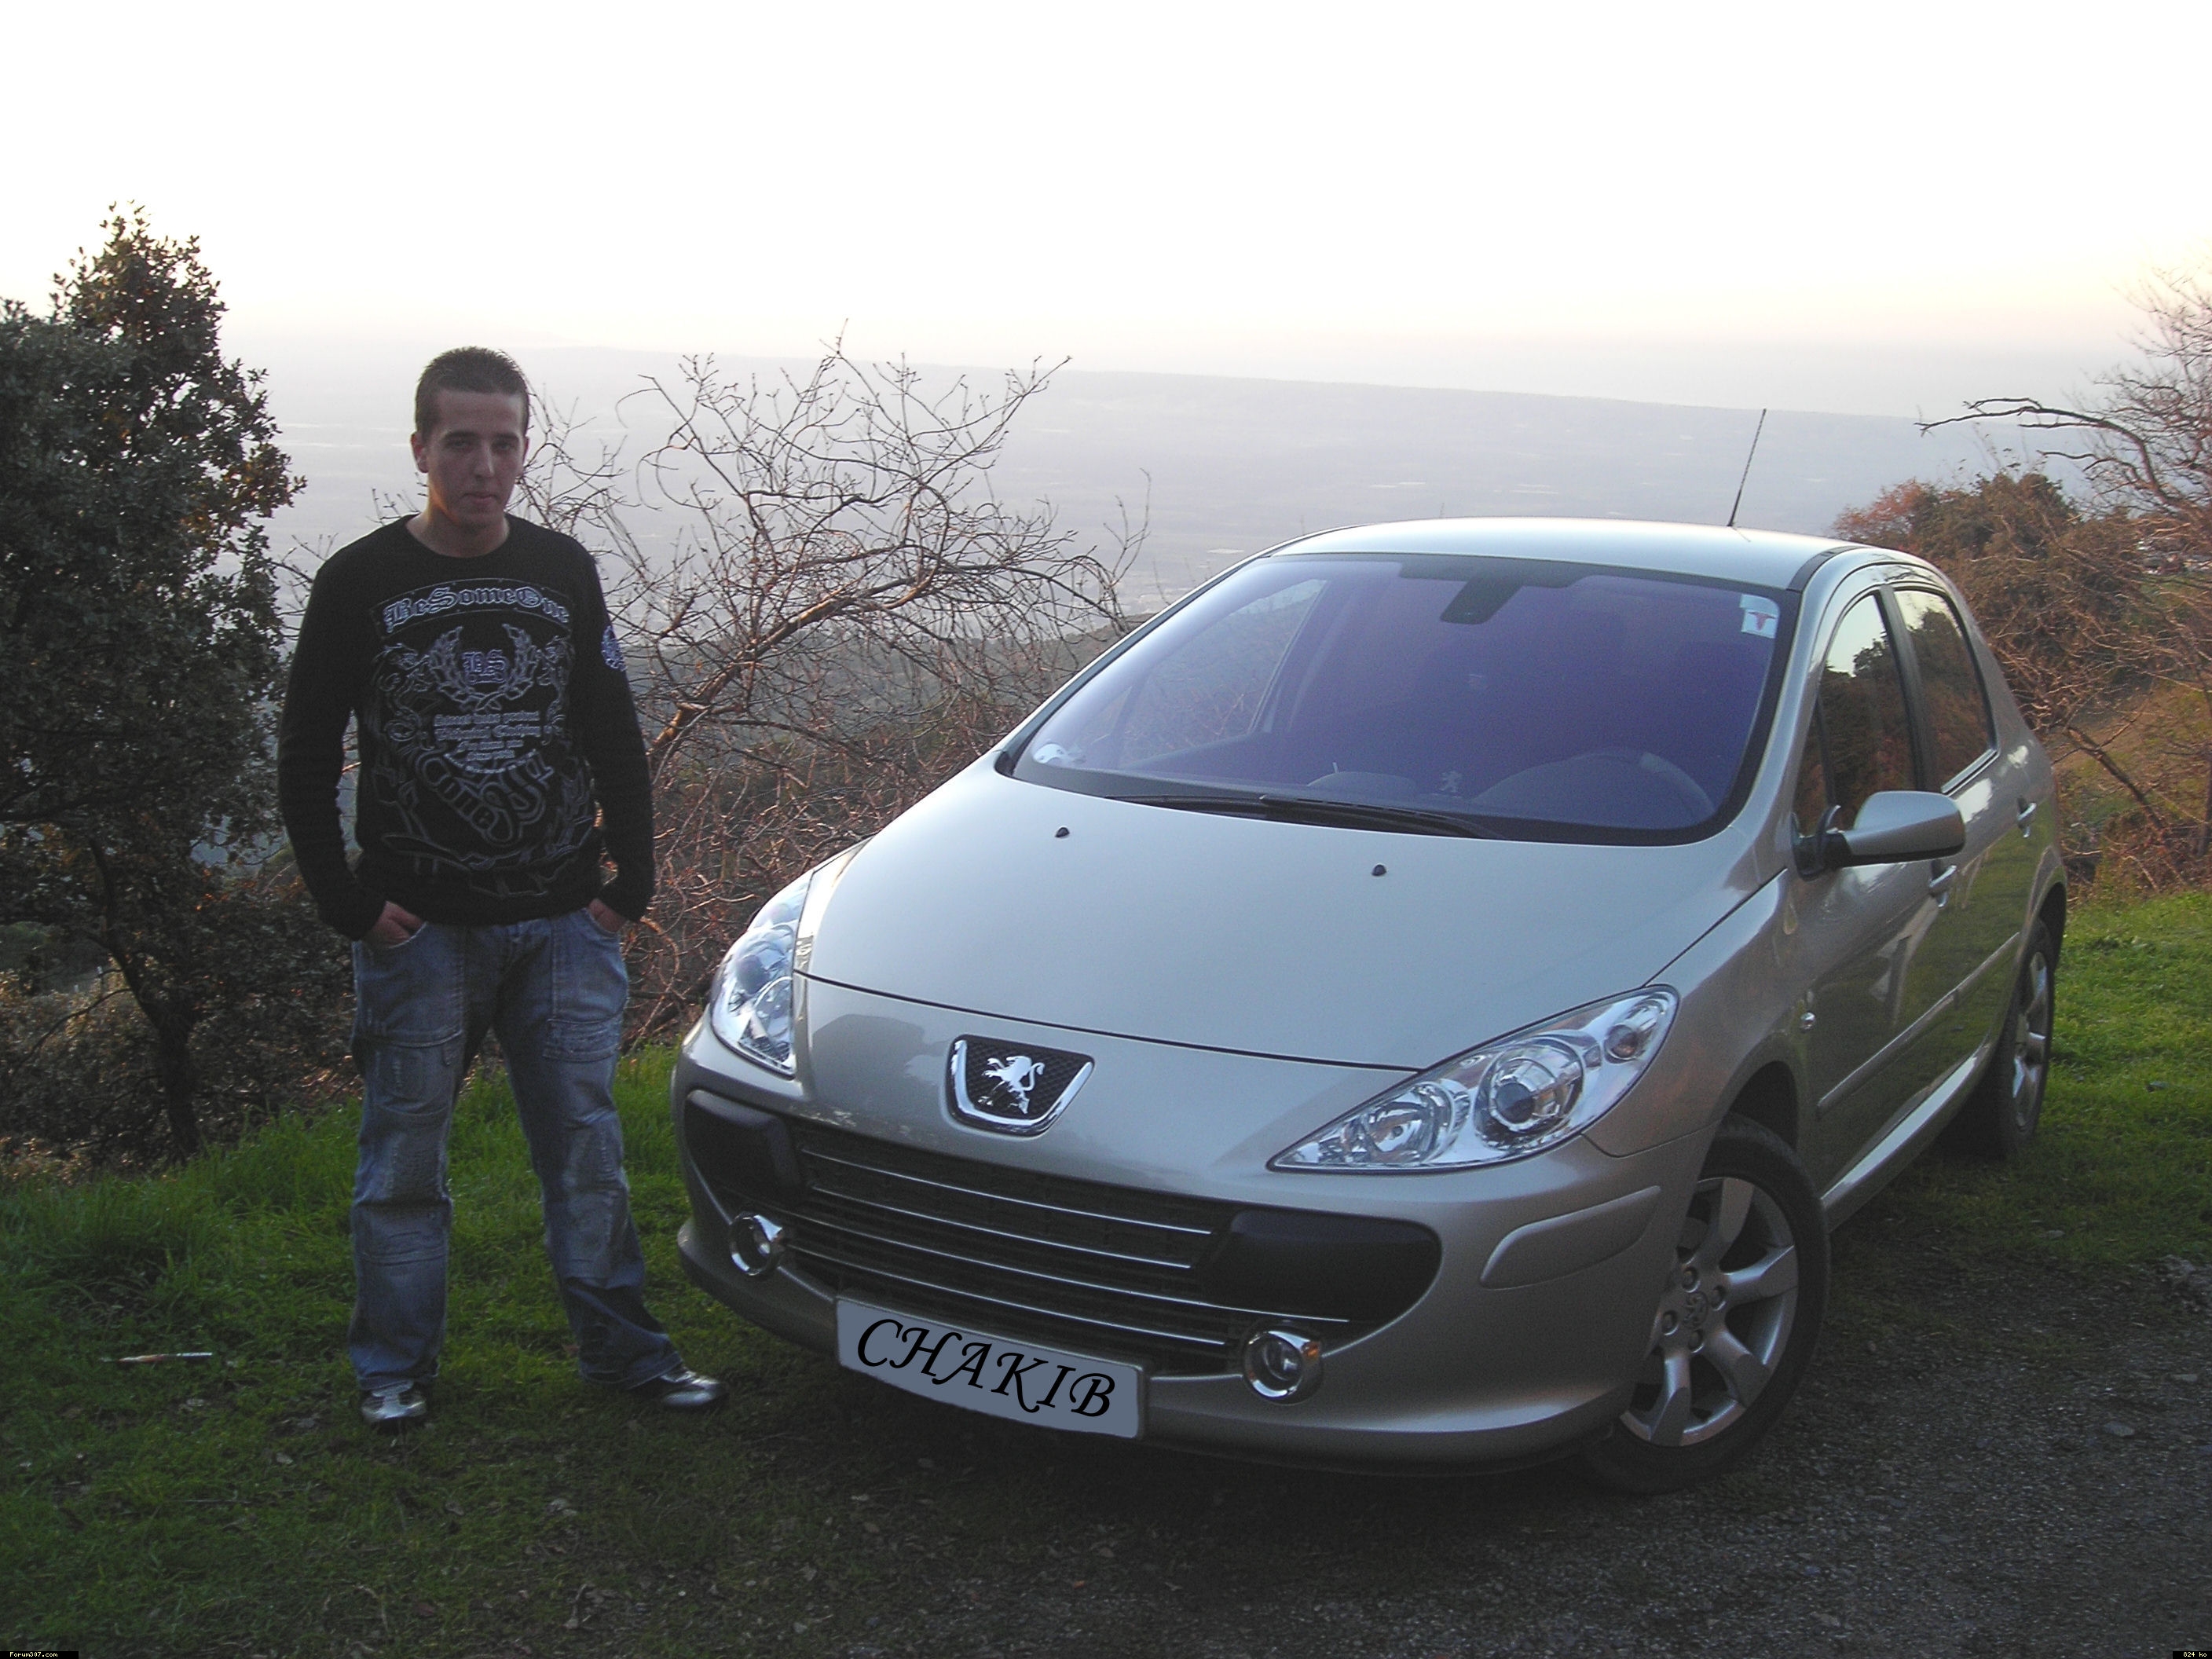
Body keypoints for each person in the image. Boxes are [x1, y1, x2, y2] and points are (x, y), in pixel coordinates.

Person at [278, 347, 724, 1426]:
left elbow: (610, 729)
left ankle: (625, 1356)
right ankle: (394, 1370)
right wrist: (347, 902)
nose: (483, 465)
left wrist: (630, 883)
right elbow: (305, 750)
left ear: (525, 450)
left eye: (503, 443)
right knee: (402, 1166)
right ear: (420, 448)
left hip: (562, 922)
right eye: (461, 443)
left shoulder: (562, 568)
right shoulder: (359, 580)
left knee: (587, 1155)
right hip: (418, 929)